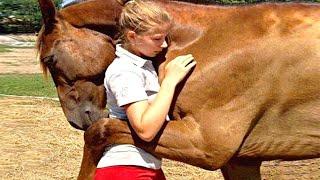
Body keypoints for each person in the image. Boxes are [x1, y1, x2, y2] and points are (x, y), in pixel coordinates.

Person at [94, 0, 196, 179]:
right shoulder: (124, 71)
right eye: (157, 38)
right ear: (132, 37)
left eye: (165, 37)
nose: (163, 45)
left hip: (145, 167)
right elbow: (145, 129)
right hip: (126, 169)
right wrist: (170, 82)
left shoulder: (142, 65)